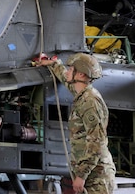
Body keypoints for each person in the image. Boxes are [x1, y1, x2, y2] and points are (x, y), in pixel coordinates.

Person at [34, 53, 116, 194]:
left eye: (71, 69)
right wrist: (53, 64)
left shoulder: (90, 102)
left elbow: (97, 142)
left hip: (97, 175)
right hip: (90, 171)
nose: (68, 72)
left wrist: (81, 175)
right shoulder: (82, 94)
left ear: (81, 76)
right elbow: (66, 80)